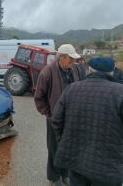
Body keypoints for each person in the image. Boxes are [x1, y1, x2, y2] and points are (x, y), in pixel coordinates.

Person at [51, 56, 123, 186]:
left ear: (89, 70)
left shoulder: (71, 89)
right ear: (112, 72)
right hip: (108, 167)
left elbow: (56, 120)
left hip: (76, 162)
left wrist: (64, 140)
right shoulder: (120, 93)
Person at [34, 44, 82, 186]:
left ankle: (65, 174)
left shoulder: (75, 71)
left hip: (72, 118)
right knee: (54, 148)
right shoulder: (47, 73)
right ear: (61, 57)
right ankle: (54, 177)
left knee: (68, 147)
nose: (73, 62)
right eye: (70, 59)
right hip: (55, 119)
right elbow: (39, 98)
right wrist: (49, 114)